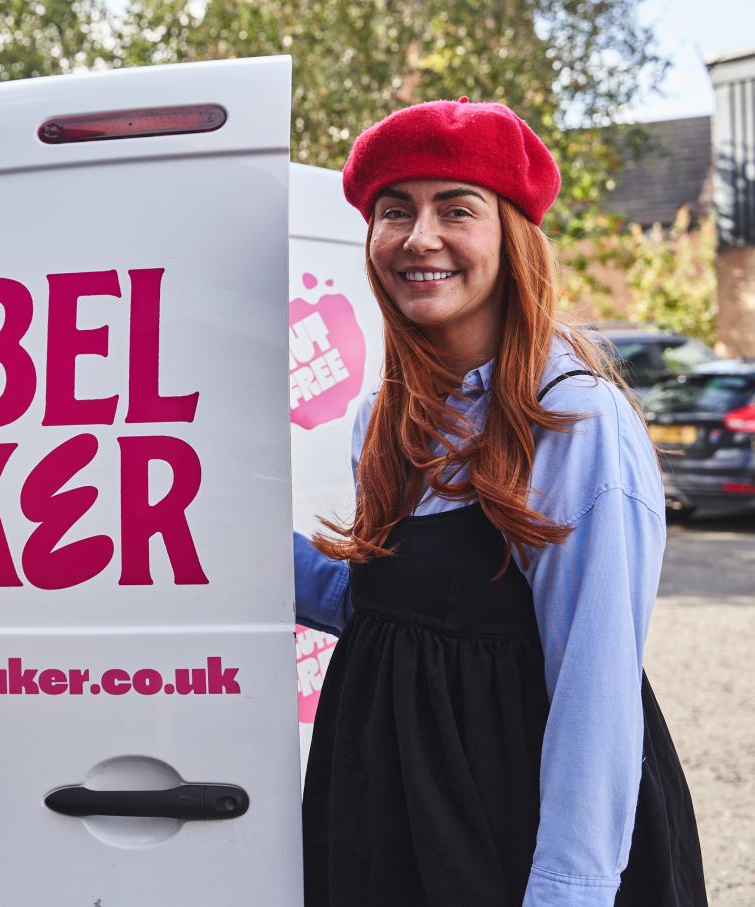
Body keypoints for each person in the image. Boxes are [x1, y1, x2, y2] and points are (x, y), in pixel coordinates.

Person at [293, 97, 707, 907]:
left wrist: (568, 891)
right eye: (394, 211)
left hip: (514, 828)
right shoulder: (380, 418)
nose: (420, 238)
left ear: (512, 236)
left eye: (457, 209)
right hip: (390, 815)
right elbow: (403, 611)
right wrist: (231, 547)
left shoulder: (576, 418)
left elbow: (597, 687)